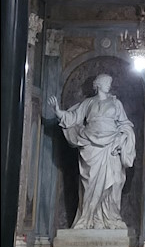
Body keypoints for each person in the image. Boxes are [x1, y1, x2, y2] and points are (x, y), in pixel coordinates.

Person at [49, 74, 136, 229]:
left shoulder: (116, 103)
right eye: (107, 82)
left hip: (111, 147)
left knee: (115, 181)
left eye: (110, 82)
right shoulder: (88, 103)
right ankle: (88, 219)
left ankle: (111, 218)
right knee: (90, 184)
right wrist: (57, 111)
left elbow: (126, 125)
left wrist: (122, 139)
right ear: (99, 85)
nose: (109, 84)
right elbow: (73, 118)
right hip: (91, 146)